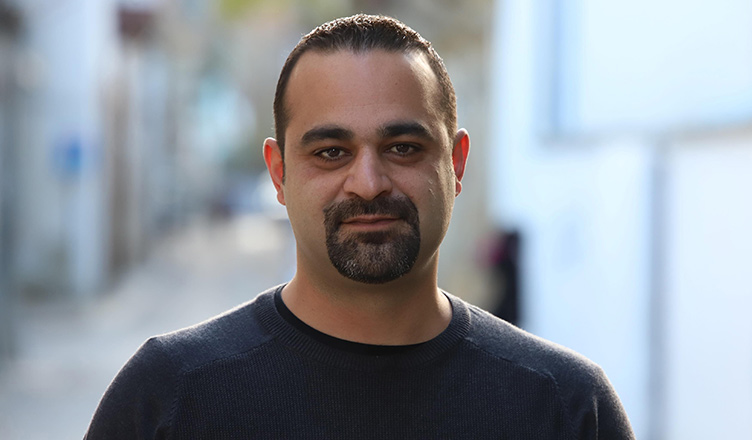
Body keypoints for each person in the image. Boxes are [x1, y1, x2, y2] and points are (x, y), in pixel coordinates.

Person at [85, 14, 634, 439]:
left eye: (403, 147)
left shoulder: (564, 408)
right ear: (278, 173)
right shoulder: (168, 398)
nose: (368, 184)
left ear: (456, 163)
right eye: (331, 152)